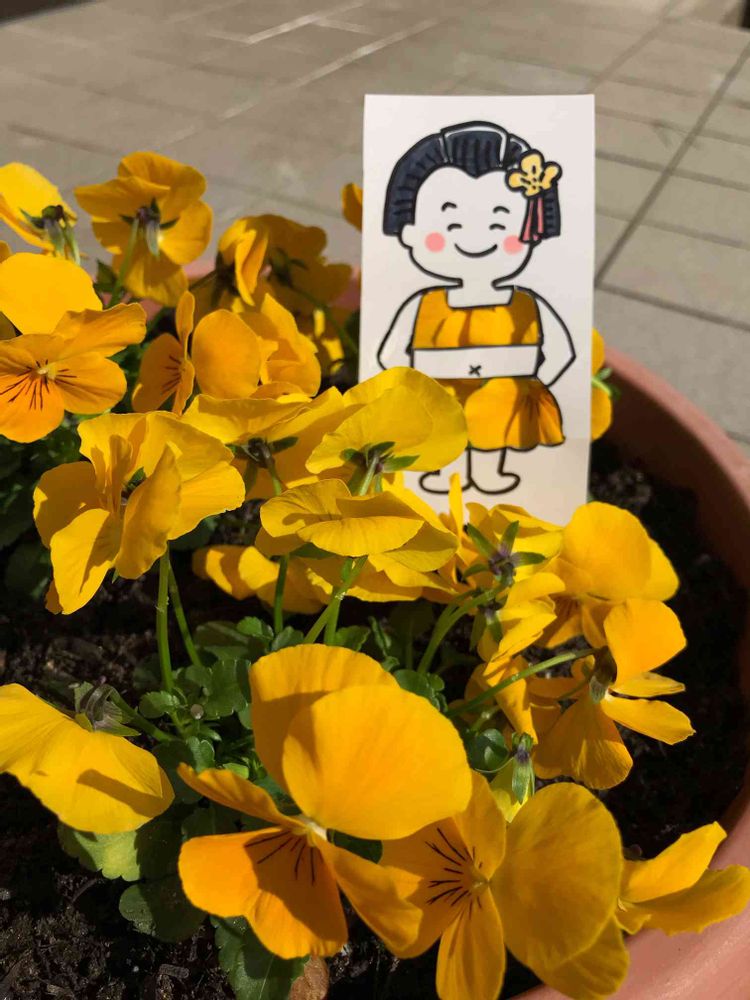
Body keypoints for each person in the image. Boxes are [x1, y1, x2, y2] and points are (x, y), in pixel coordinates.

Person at [378, 121, 574, 495]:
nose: (475, 237)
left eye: (499, 223)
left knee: (492, 435)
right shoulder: (423, 304)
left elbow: (562, 351)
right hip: (440, 395)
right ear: (408, 231)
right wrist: (411, 389)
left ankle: (487, 475)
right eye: (450, 221)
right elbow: (389, 354)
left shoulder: (526, 304)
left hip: (504, 396)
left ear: (534, 232)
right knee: (444, 437)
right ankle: (443, 475)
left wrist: (532, 383)